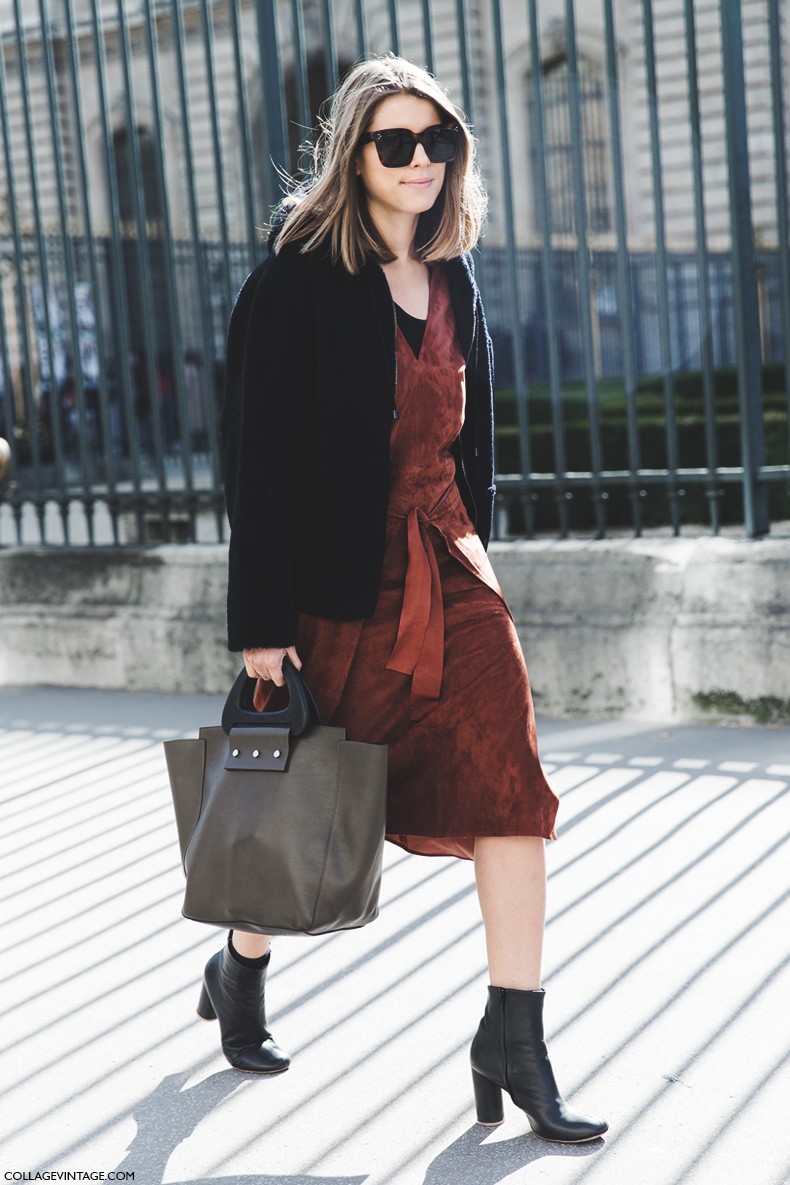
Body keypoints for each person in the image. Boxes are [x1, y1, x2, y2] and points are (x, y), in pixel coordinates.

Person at [203, 54, 607, 1143]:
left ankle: (513, 1037)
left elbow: (471, 445)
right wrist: (261, 635)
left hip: (451, 574)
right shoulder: (292, 283)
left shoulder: (453, 275)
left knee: (512, 789)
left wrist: (483, 557)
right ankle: (239, 964)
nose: (420, 160)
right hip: (335, 590)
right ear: (354, 154)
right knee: (304, 811)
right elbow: (256, 466)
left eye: (437, 141)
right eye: (395, 142)